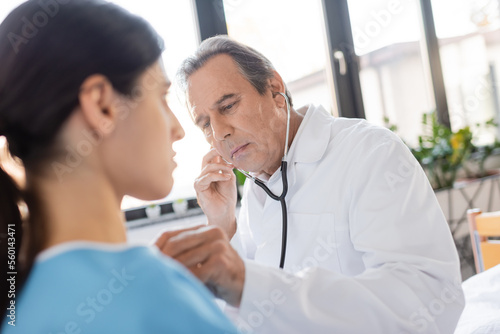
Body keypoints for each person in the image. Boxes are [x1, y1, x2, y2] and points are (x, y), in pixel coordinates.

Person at [155, 35, 465, 333]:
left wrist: (248, 283)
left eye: (228, 106)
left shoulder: (370, 152)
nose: (219, 131)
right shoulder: (256, 191)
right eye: (205, 123)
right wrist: (222, 224)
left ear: (274, 88)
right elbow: (245, 314)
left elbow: (427, 303)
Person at [0, 1, 239, 333]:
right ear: (103, 107)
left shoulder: (19, 305)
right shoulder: (156, 294)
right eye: (161, 97)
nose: (178, 129)